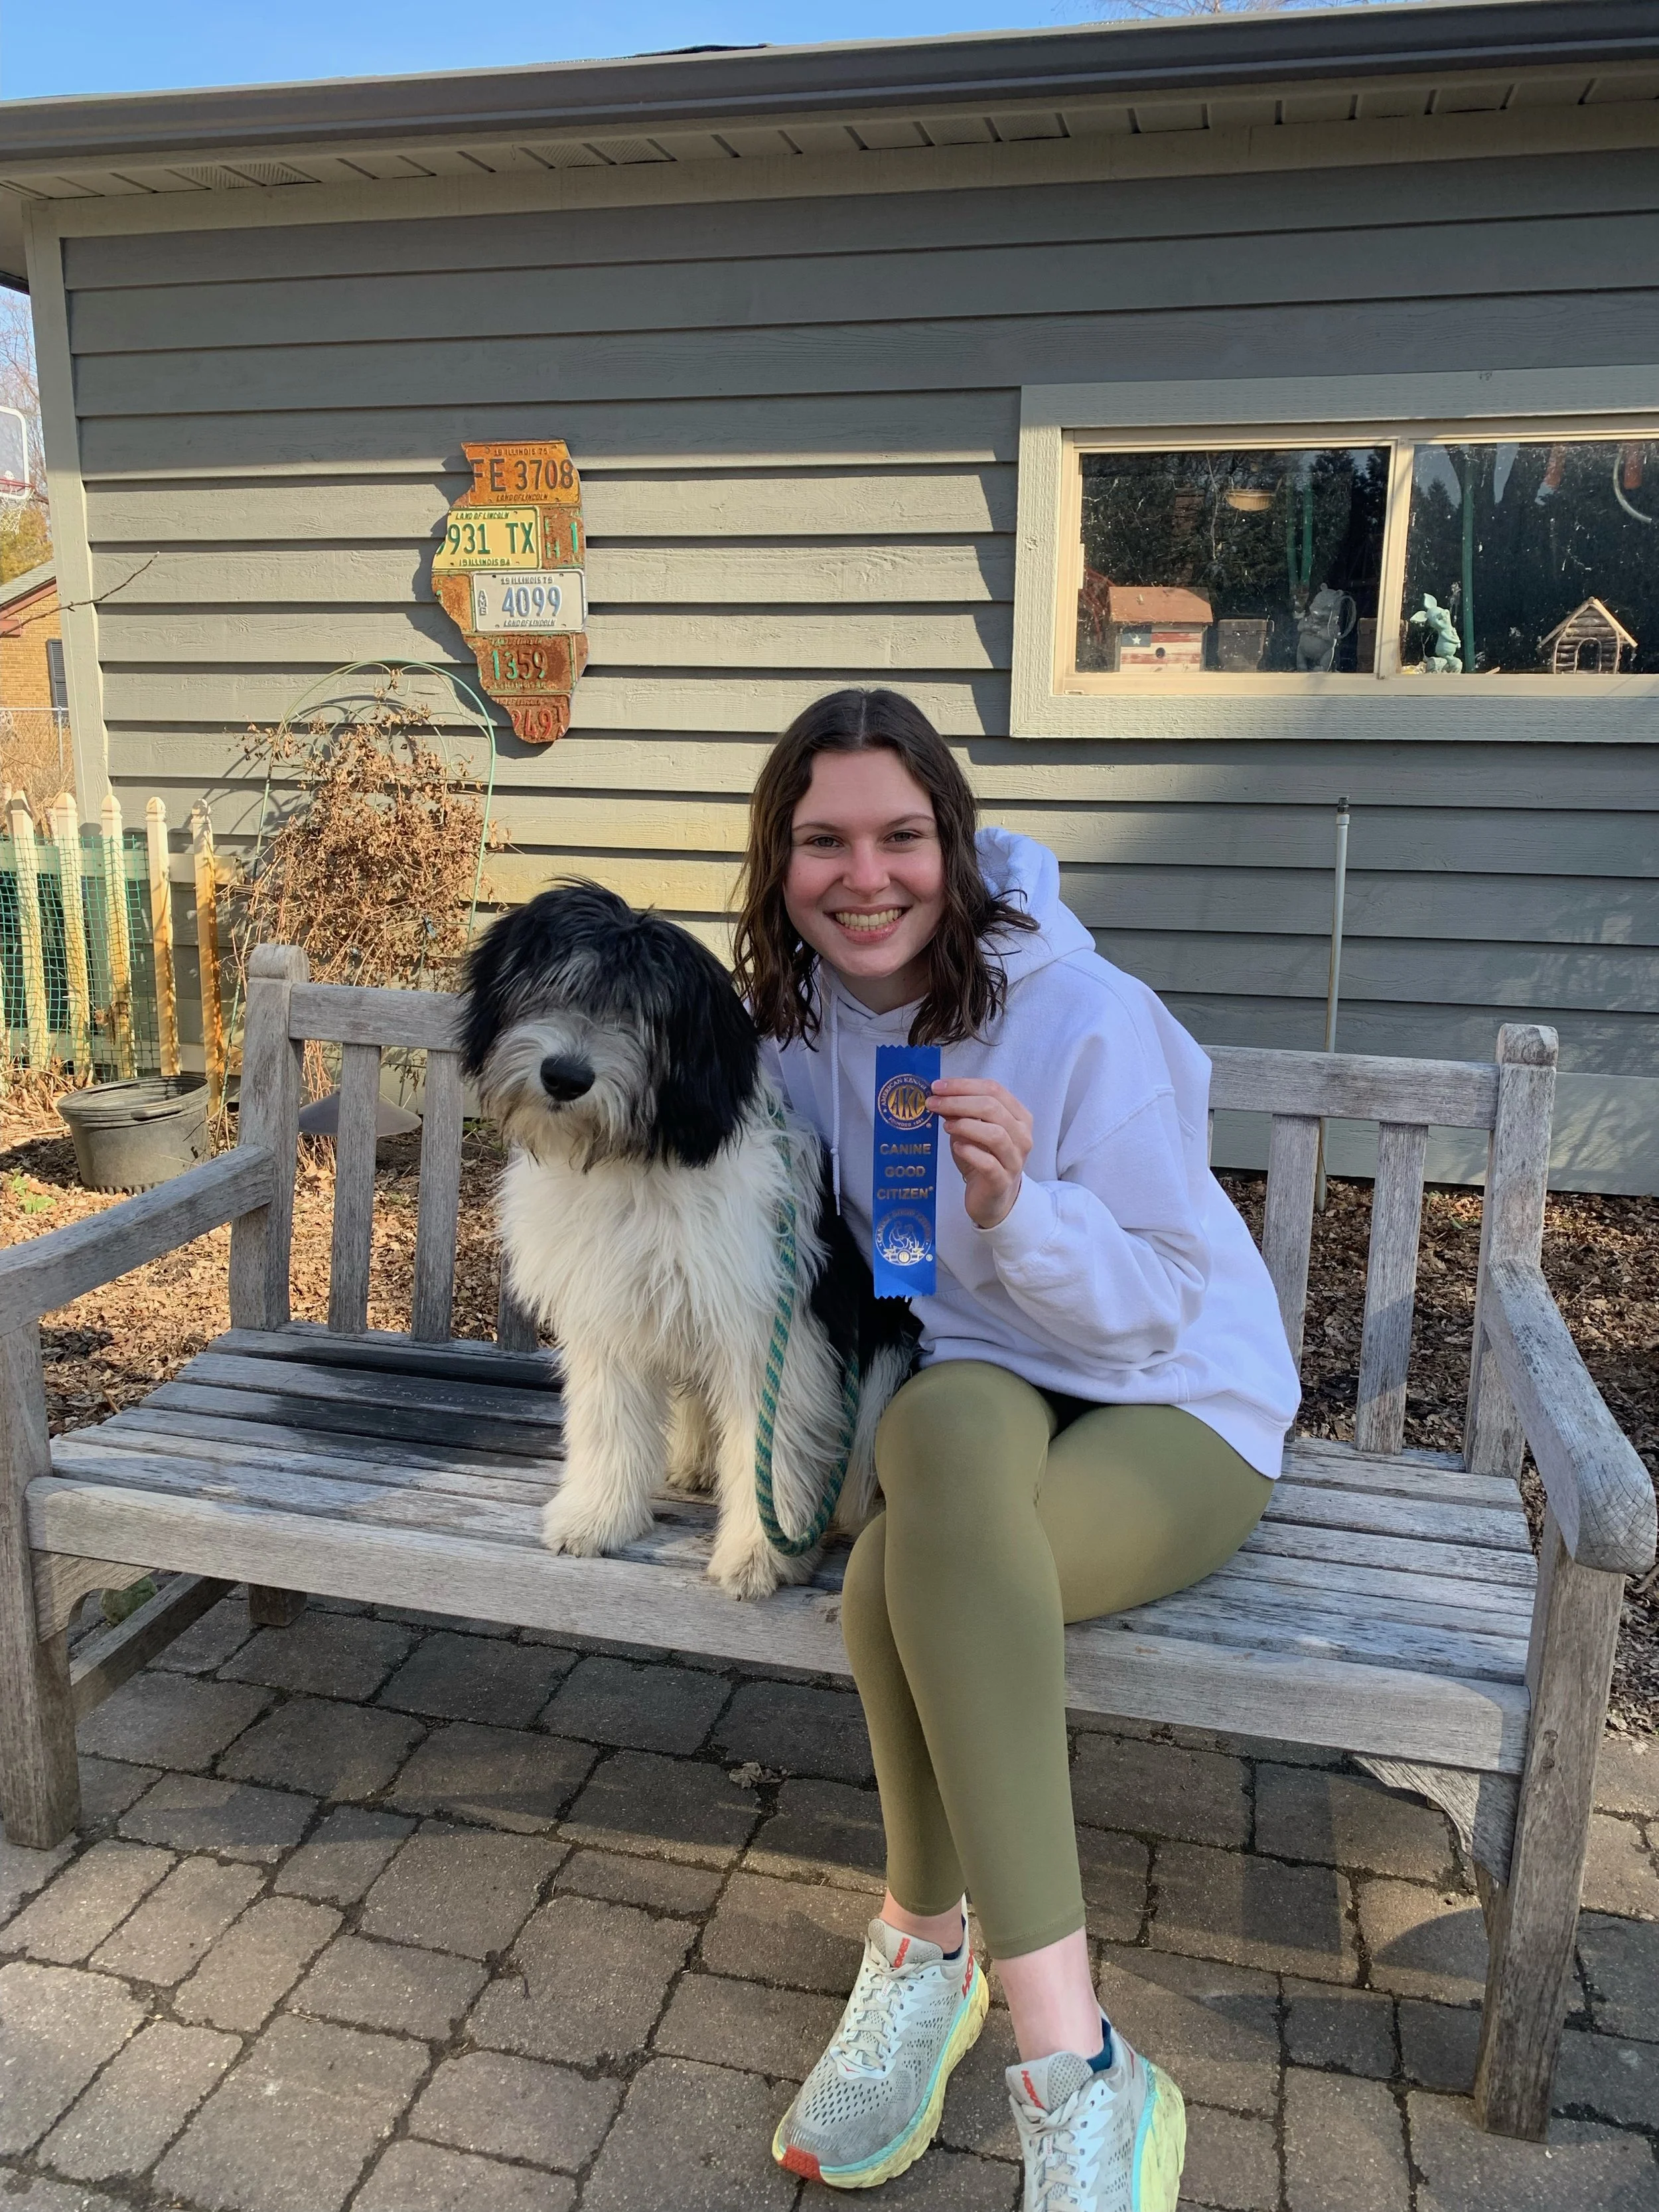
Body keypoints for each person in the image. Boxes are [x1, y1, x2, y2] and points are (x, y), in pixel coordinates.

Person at [732, 689, 1301, 2212]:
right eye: (824, 841)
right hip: (981, 1378)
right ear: (778, 865)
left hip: (1173, 1394)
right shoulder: (793, 1029)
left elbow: (1153, 1307)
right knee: (941, 1465)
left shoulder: (1075, 1013)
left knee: (912, 1577)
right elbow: (792, 1238)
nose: (867, 877)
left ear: (955, 844)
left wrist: (1015, 1214)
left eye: (902, 836)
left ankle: (1017, 2018)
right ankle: (988, 2001)